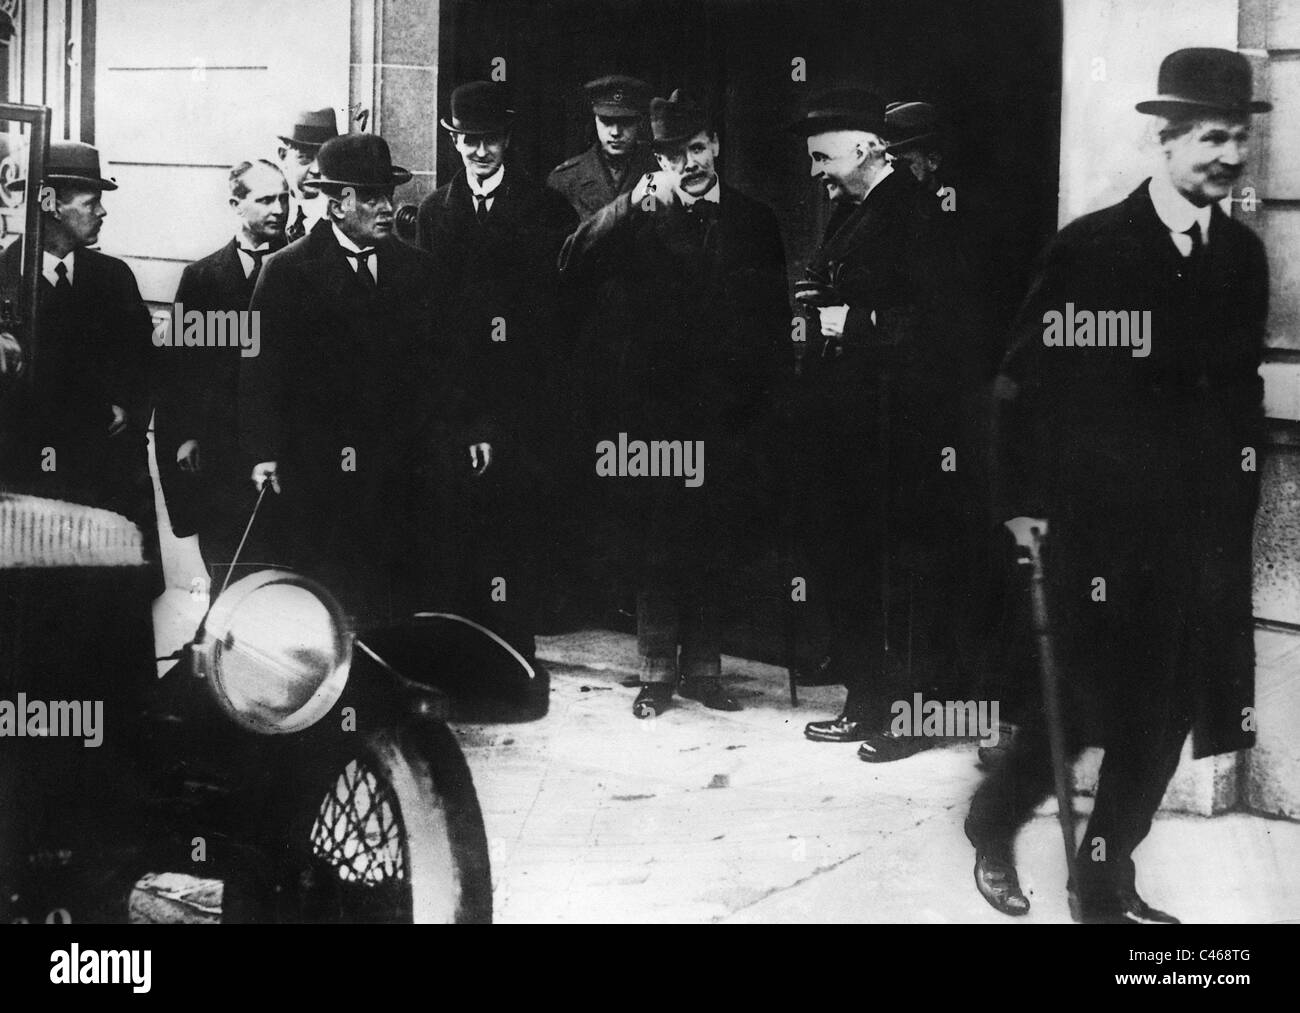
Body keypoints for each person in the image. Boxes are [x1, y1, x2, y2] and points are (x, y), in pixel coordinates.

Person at [964, 48, 1269, 924]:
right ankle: (993, 824)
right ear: (1165, 140)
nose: (1230, 156)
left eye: (1240, 139)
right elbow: (1022, 385)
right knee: (1076, 710)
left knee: (1163, 721)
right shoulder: (1091, 251)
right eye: (1214, 137)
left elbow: (1239, 391)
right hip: (1096, 537)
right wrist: (1021, 503)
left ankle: (1101, 878)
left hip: (1196, 539)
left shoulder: (1240, 258)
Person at [560, 89, 788, 717]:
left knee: (714, 538)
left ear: (715, 144)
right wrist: (627, 205)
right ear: (656, 159)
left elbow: (773, 323)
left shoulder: (754, 220)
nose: (687, 163)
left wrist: (769, 409)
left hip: (727, 413)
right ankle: (656, 674)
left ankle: (705, 671)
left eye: (695, 148)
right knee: (656, 539)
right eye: (670, 154)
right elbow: (570, 264)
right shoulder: (634, 214)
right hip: (653, 413)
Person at [789, 89, 981, 759]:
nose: (816, 171)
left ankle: (912, 717)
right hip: (851, 431)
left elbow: (945, 326)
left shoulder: (919, 214)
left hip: (902, 431)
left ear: (866, 150)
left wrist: (856, 324)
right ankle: (865, 700)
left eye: (823, 157)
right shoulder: (853, 210)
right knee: (853, 567)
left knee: (902, 577)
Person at [240, 133, 488, 626]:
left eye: (388, 196)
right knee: (333, 590)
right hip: (321, 469)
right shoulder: (286, 273)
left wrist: (470, 427)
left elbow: (448, 363)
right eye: (372, 198)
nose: (386, 209)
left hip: (403, 465)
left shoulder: (418, 269)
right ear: (336, 206)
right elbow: (261, 370)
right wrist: (263, 451)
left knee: (401, 588)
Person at [416, 81, 577, 666]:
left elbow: (560, 315)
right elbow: (429, 321)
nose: (479, 153)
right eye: (468, 142)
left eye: (489, 141)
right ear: (454, 142)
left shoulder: (545, 208)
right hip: (456, 398)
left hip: (523, 398)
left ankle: (517, 647)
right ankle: (464, 645)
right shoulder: (434, 212)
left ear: (506, 140)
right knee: (457, 523)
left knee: (517, 523)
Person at [0, 142, 157, 561]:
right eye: (92, 203)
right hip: (37, 489)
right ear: (50, 203)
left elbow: (144, 358)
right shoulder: (5, 281)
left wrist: (128, 405)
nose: (102, 213)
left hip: (111, 484)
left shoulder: (113, 278)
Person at [154, 159, 288, 589]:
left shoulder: (301, 269)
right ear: (236, 204)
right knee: (228, 572)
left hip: (285, 454)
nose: (279, 209)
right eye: (265, 199)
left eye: (284, 198)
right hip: (221, 456)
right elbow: (181, 371)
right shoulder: (203, 279)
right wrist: (186, 435)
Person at [547, 75, 658, 219]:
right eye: (607, 121)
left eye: (626, 122)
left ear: (640, 122)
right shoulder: (565, 180)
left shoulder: (656, 170)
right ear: (595, 120)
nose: (616, 132)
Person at [276, 108, 338, 241]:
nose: (316, 170)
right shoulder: (269, 212)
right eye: (305, 157)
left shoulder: (342, 218)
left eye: (324, 160)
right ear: (283, 156)